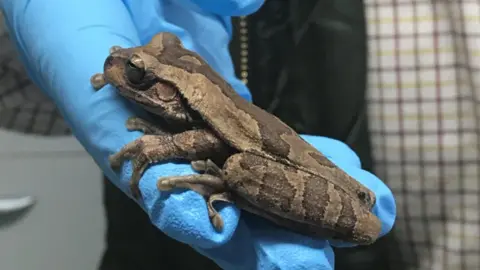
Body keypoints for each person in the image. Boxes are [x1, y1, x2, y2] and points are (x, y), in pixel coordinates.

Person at [0, 1, 399, 269]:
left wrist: (166, 145)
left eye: (137, 74)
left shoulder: (186, 109)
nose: (117, 63)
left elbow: (210, 140)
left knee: (239, 168)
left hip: (257, 157)